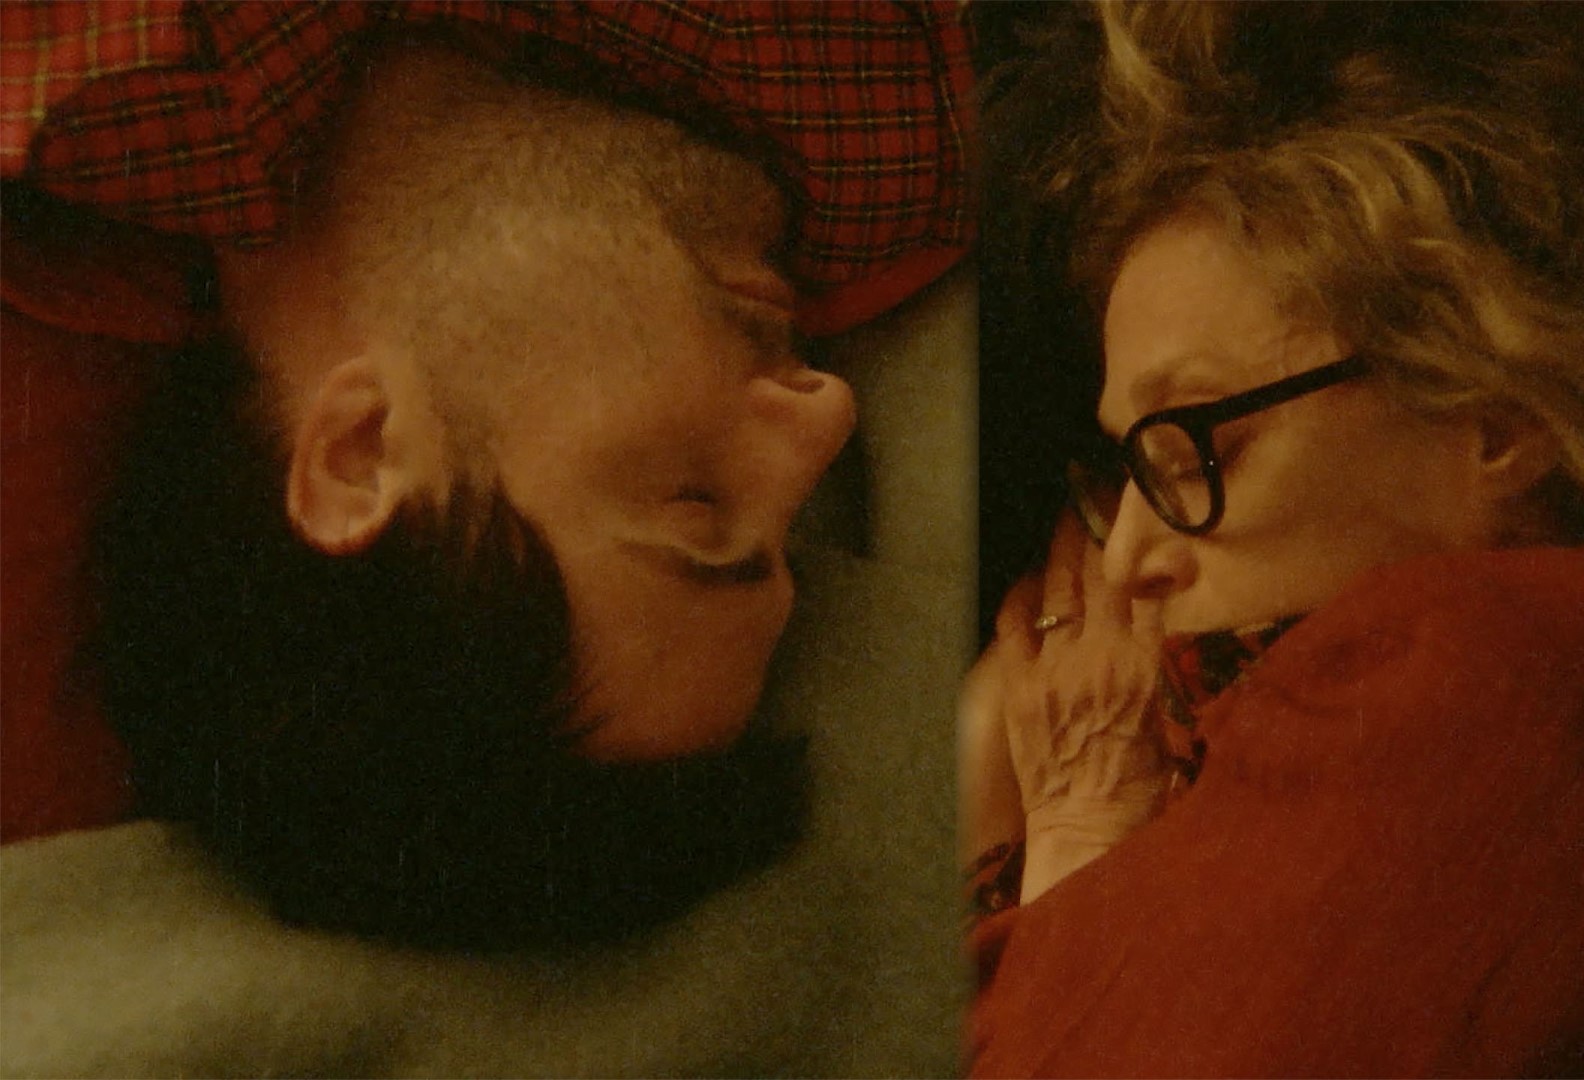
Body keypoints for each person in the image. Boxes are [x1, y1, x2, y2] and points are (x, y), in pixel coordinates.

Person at [964, 2, 1584, 1075]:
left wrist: (1079, 833)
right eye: (1128, 472)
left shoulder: (1502, 681)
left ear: (1499, 407)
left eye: (1199, 450)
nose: (1128, 557)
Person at [3, 3, 971, 949]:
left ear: (361, 449)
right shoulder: (900, 167)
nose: (827, 416)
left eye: (694, 501)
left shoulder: (72, 95)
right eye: (793, 528)